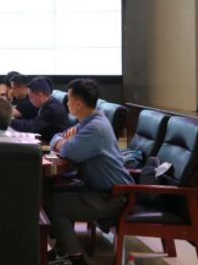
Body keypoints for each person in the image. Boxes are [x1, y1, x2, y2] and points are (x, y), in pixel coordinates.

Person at [45, 79, 133, 265]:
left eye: (69, 100)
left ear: (78, 104)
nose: (66, 104)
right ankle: (63, 249)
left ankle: (75, 258)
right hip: (97, 189)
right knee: (49, 193)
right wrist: (64, 141)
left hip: (112, 197)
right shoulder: (88, 122)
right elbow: (57, 137)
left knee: (55, 205)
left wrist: (64, 143)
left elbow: (68, 151)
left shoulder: (95, 128)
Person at [10, 76, 70, 142]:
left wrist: (10, 121)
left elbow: (33, 127)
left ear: (40, 95)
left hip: (52, 144)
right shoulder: (48, 103)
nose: (30, 100)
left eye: (31, 97)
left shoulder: (51, 109)